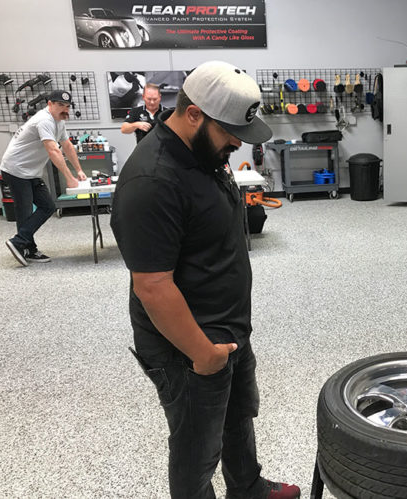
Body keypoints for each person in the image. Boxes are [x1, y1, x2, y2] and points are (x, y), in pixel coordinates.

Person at [110, 61, 300, 499]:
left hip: (228, 327)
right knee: (197, 445)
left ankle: (248, 489)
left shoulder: (202, 152)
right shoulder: (153, 180)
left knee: (237, 417)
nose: (237, 142)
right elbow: (153, 285)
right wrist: (205, 354)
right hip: (188, 346)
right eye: (230, 132)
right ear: (194, 113)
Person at [1, 89, 86, 266]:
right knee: (25, 211)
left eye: (67, 106)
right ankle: (24, 246)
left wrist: (79, 170)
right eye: (60, 105)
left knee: (48, 206)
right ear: (49, 104)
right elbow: (53, 150)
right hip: (16, 169)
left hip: (30, 171)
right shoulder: (44, 120)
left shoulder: (59, 120)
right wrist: (69, 177)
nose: (65, 109)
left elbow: (67, 145)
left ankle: (22, 244)